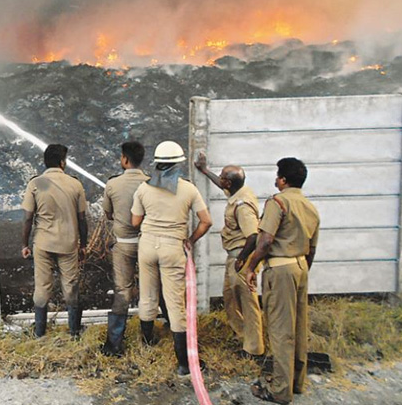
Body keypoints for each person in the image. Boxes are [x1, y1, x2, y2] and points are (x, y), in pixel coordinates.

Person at [131, 140, 212, 376]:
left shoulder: (144, 188)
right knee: (175, 303)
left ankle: (147, 344)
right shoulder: (188, 189)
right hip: (173, 246)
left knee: (147, 296)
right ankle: (184, 363)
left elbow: (135, 222)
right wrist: (191, 239)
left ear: (156, 163)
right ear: (178, 164)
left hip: (147, 245)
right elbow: (206, 221)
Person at [243, 158, 320, 405]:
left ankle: (280, 390)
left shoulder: (278, 202)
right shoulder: (310, 207)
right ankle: (296, 382)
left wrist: (251, 267)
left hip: (281, 268)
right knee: (298, 326)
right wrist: (302, 269)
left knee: (280, 330)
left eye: (278, 176)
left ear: (283, 180)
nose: (276, 180)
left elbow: (265, 241)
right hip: (300, 267)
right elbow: (312, 248)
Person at [194, 153, 265, 359]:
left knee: (248, 303)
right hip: (234, 258)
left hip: (241, 258)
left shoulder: (242, 206)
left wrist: (243, 260)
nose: (221, 179)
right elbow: (222, 185)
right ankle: (242, 336)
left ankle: (254, 349)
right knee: (230, 298)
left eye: (223, 176)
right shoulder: (238, 191)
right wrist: (205, 170)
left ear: (230, 182)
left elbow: (253, 236)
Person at [21, 144, 88, 338]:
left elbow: (27, 218)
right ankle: (74, 331)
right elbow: (82, 219)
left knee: (42, 287)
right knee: (70, 286)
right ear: (62, 162)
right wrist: (83, 245)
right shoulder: (74, 184)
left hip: (43, 244)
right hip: (68, 244)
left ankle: (40, 332)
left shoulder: (37, 184)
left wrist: (24, 244)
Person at [100, 141, 149, 356]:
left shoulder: (113, 185)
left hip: (124, 244)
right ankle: (152, 338)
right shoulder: (150, 182)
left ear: (125, 159)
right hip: (148, 243)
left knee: (122, 291)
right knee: (154, 289)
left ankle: (115, 344)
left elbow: (108, 214)